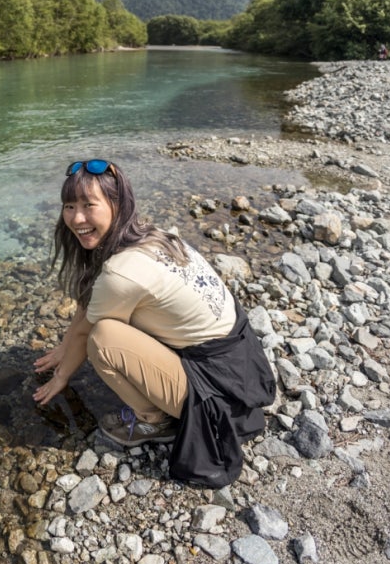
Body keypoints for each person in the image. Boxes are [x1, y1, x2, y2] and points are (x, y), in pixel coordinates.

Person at [33, 159, 276, 487]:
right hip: (242, 366)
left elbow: (86, 327)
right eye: (69, 206)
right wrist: (63, 348)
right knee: (116, 317)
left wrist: (61, 377)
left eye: (89, 205)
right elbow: (92, 300)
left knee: (103, 339)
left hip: (217, 391)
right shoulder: (153, 235)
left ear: (117, 204)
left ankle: (154, 421)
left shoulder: (120, 271)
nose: (76, 218)